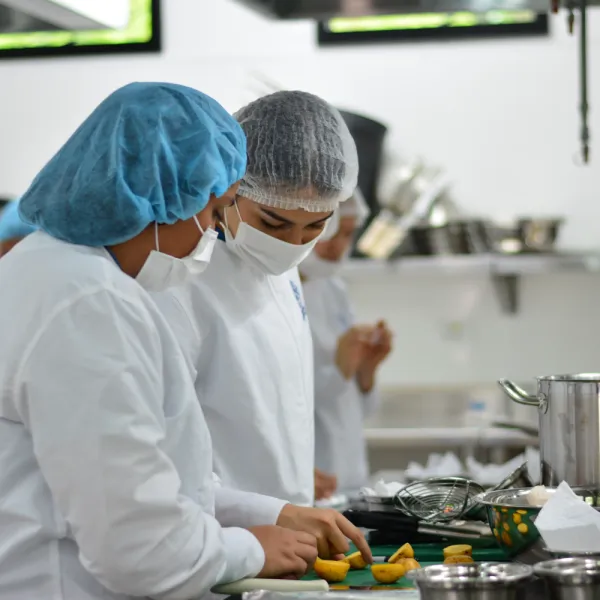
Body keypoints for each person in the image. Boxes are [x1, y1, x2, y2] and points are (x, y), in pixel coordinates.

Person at [0, 82, 370, 600]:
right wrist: (252, 547)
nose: (209, 235)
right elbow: (140, 551)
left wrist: (272, 514)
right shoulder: (87, 304)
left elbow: (164, 484)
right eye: (215, 212)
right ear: (162, 196)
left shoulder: (60, 275)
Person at [154, 91, 359, 509]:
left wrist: (293, 478)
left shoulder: (285, 275)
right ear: (230, 188)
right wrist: (264, 514)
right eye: (274, 222)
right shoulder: (181, 278)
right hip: (217, 535)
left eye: (315, 226)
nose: (292, 244)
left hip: (288, 532)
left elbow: (271, 408)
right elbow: (166, 457)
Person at [300, 189, 393, 493]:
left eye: (348, 234)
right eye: (331, 232)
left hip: (351, 475)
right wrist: (339, 370)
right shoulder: (274, 295)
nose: (339, 247)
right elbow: (279, 403)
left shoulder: (333, 289)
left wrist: (365, 372)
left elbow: (356, 408)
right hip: (312, 478)